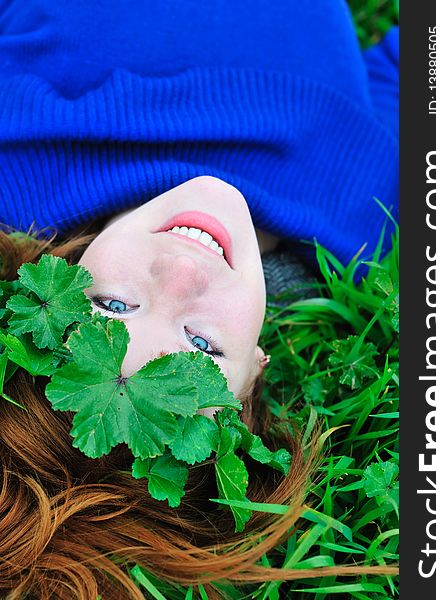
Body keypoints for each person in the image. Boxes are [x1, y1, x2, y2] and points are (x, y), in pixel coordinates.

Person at [0, 1, 399, 598]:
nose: (184, 273)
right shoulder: (362, 217)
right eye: (200, 346)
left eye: (112, 308)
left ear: (57, 282)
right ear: (254, 372)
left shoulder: (18, 160)